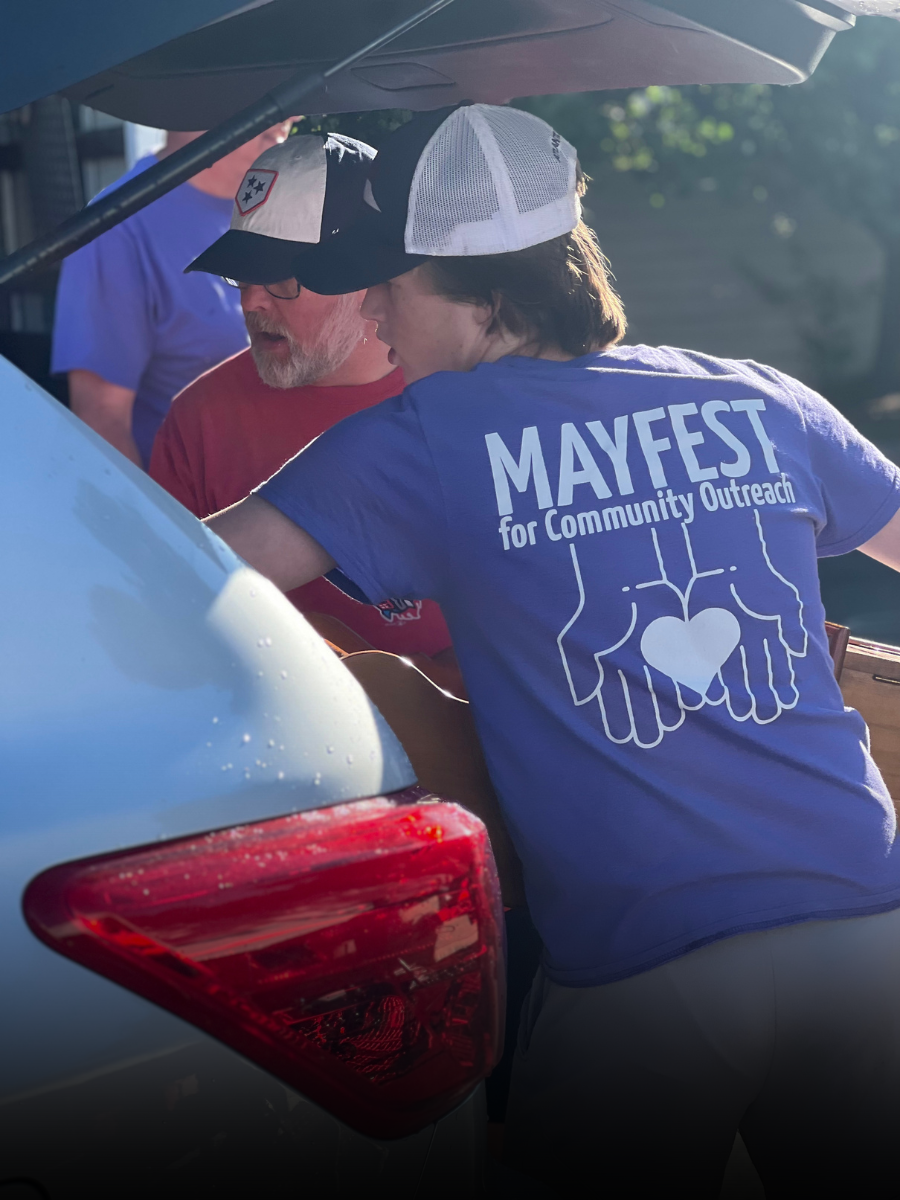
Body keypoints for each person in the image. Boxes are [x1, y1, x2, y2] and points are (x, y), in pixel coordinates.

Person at [202, 104, 900, 1195]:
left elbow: (185, 576)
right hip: (866, 922)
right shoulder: (758, 395)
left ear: (484, 297)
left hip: (645, 972)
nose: (376, 314)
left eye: (396, 282)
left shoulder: (423, 438)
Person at [150, 133, 458, 688]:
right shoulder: (198, 420)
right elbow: (159, 617)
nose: (250, 300)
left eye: (280, 278)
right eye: (241, 273)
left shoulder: (462, 400)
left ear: (363, 275)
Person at [52, 121, 294, 468]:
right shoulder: (116, 228)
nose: (295, 115)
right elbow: (102, 423)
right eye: (269, 77)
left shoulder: (280, 208)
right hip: (194, 514)